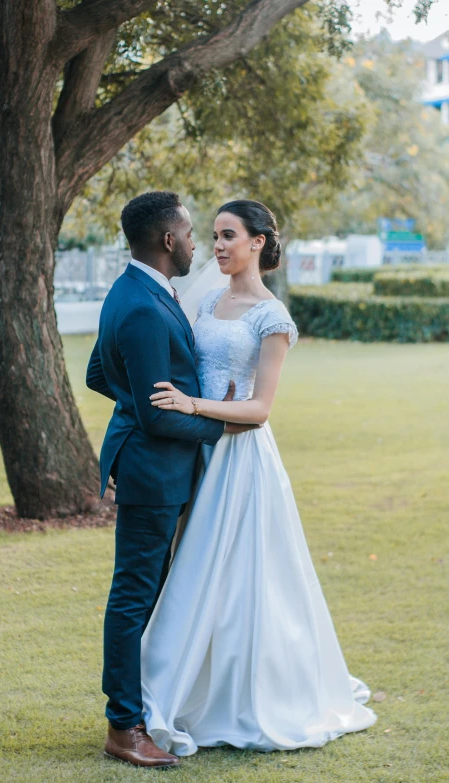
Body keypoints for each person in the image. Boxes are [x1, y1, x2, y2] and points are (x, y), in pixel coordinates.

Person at [140, 199, 377, 755]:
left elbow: (260, 408)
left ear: (259, 243)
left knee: (241, 577)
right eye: (214, 236)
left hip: (241, 462)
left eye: (228, 235)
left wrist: (193, 406)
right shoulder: (206, 301)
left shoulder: (273, 317)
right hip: (196, 455)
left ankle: (247, 695)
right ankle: (180, 686)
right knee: (192, 573)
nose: (217, 245)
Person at [86, 191, 253, 768]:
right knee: (134, 596)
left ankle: (144, 707)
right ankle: (123, 727)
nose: (195, 243)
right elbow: (158, 412)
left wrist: (136, 406)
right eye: (188, 232)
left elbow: (97, 373)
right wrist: (215, 425)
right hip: (152, 472)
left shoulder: (136, 291)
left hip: (154, 465)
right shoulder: (141, 306)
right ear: (166, 240)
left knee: (149, 592)